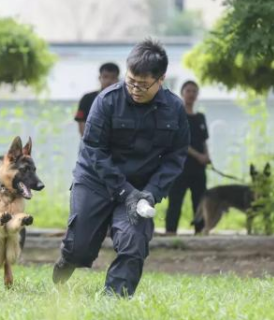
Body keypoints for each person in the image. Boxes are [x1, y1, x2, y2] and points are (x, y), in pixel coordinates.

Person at [52, 39, 190, 297]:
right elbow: (94, 149)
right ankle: (68, 258)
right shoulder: (106, 101)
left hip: (140, 187)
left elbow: (176, 156)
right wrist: (126, 192)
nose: (135, 89)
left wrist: (151, 192)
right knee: (80, 247)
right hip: (96, 181)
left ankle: (114, 299)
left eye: (143, 84)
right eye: (131, 81)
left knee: (133, 242)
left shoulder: (174, 109)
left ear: (161, 79)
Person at [166, 81, 210, 235]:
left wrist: (207, 156)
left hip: (199, 169)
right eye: (188, 91)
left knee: (199, 201)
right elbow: (179, 141)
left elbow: (204, 140)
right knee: (176, 200)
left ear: (197, 95)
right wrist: (198, 156)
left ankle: (199, 231)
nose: (191, 94)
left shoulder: (200, 117)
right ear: (182, 93)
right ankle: (171, 231)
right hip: (180, 167)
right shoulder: (177, 115)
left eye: (194, 91)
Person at [75, 63, 120, 136]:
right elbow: (81, 123)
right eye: (105, 77)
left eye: (113, 77)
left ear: (118, 79)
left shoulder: (122, 100)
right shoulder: (87, 98)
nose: (108, 81)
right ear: (99, 78)